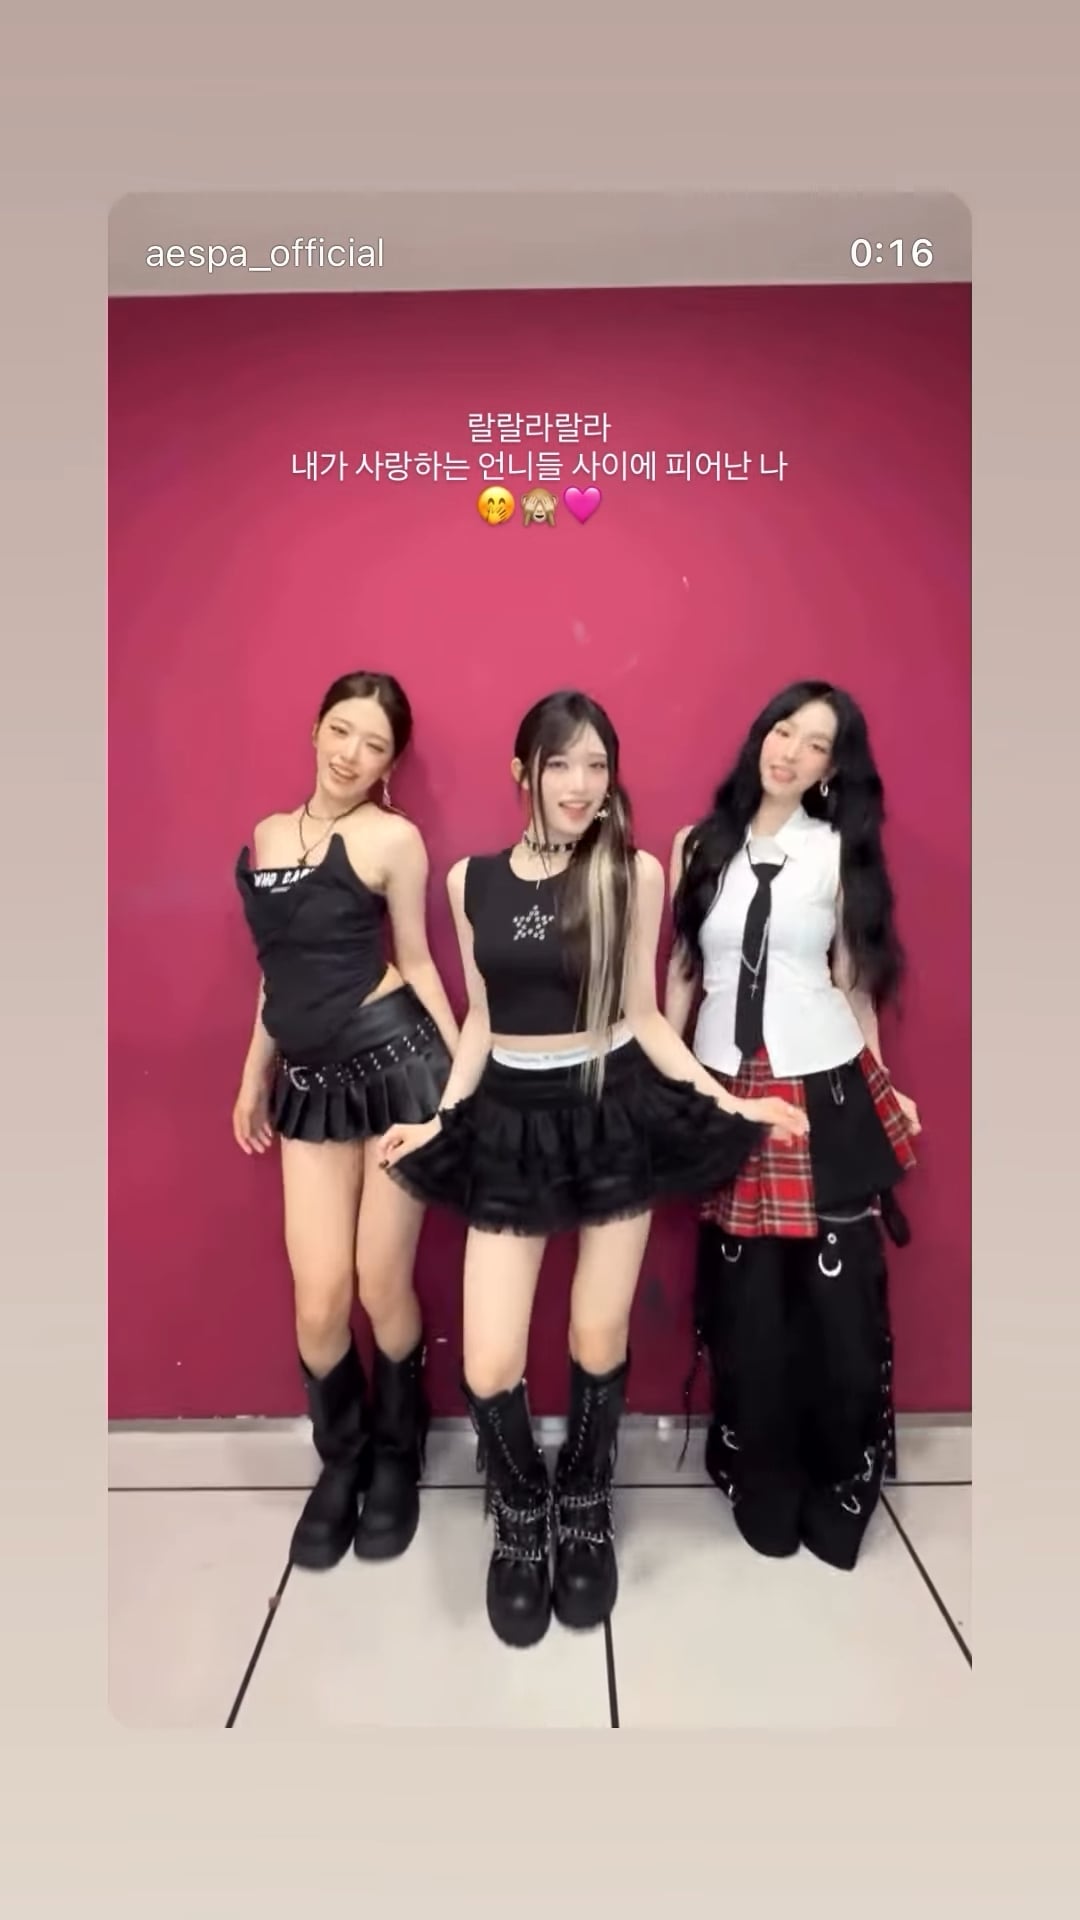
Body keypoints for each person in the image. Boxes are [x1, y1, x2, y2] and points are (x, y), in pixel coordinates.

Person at [378, 690, 807, 1648]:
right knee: (490, 1358)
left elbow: (646, 1017)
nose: (580, 785)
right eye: (560, 764)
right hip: (510, 1122)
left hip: (613, 1108)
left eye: (597, 765)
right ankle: (518, 1509)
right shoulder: (469, 881)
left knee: (597, 1329)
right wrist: (440, 1118)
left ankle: (583, 1499)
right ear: (522, 772)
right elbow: (481, 1021)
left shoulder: (631, 872)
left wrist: (730, 1103)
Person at [665, 679, 922, 1572]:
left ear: (831, 769)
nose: (793, 752)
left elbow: (852, 980)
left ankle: (843, 1476)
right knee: (751, 1305)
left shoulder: (838, 850)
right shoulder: (698, 844)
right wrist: (671, 1083)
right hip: (729, 1084)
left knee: (836, 1303)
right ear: (761, 735)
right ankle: (758, 1470)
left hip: (823, 1081)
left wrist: (883, 1082)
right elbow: (683, 974)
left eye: (817, 745)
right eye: (785, 731)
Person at [232, 670, 459, 1572]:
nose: (351, 754)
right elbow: (276, 974)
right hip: (307, 1086)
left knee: (378, 1283)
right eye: (341, 731)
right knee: (319, 1295)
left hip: (398, 1069)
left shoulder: (392, 839)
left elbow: (420, 962)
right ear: (316, 730)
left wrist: (463, 1084)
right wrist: (252, 1077)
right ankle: (343, 1459)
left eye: (374, 745)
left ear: (390, 764)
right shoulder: (266, 835)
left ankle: (398, 1454)